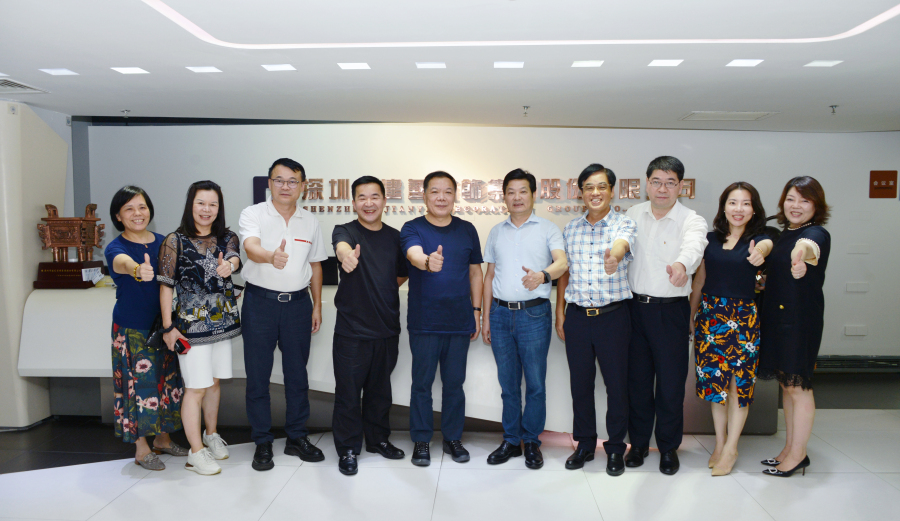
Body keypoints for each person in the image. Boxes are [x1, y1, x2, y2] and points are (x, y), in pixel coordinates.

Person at [238, 158, 329, 471]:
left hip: (298, 306)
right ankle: (262, 441)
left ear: (302, 186)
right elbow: (250, 247)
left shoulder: (310, 221)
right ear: (269, 184)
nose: (285, 186)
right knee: (258, 378)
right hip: (259, 304)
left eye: (293, 181)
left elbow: (315, 265)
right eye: (279, 180)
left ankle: (296, 437)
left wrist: (317, 305)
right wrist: (270, 256)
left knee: (297, 376)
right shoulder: (253, 213)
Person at [625, 156, 708, 475]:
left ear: (680, 186)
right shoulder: (633, 214)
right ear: (647, 184)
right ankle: (639, 444)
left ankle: (669, 448)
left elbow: (694, 248)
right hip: (634, 309)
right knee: (638, 383)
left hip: (671, 311)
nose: (663, 188)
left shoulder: (692, 220)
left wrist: (681, 266)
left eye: (670, 182)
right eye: (657, 182)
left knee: (671, 386)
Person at [482, 169, 567, 470]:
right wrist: (486, 318)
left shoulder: (548, 229)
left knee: (535, 384)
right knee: (508, 384)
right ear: (504, 196)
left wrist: (542, 275)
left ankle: (531, 441)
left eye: (523, 191)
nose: (516, 197)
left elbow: (562, 263)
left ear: (533, 195)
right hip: (500, 314)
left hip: (534, 314)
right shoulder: (496, 231)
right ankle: (510, 440)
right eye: (511, 192)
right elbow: (489, 276)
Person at [555, 164, 637, 475]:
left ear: (611, 191)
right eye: (589, 187)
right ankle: (585, 444)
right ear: (581, 193)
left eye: (601, 186)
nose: (595, 192)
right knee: (580, 385)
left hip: (612, 317)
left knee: (616, 386)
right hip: (577, 317)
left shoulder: (623, 223)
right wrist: (560, 312)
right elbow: (564, 273)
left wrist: (614, 257)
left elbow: (621, 245)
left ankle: (615, 448)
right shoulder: (570, 229)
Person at [400, 171, 484, 467]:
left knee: (454, 385)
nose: (441, 197)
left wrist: (476, 311)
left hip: (459, 321)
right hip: (424, 321)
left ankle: (452, 438)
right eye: (434, 191)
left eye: (447, 191)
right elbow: (413, 254)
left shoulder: (467, 229)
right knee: (421, 385)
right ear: (424, 195)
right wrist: (427, 261)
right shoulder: (412, 227)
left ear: (455, 196)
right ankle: (421, 440)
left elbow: (475, 273)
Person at [158, 180, 241, 475]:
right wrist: (168, 327)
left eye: (213, 204)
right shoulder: (174, 241)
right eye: (201, 203)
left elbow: (234, 256)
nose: (207, 209)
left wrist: (230, 265)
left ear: (219, 207)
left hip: (222, 324)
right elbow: (165, 287)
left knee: (214, 383)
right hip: (190, 330)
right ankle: (195, 452)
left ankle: (211, 434)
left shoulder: (227, 236)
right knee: (195, 388)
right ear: (190, 205)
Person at [689, 182, 772, 476]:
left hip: (743, 320)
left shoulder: (760, 239)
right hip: (710, 318)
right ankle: (720, 443)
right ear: (724, 207)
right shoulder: (710, 239)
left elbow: (765, 250)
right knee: (716, 387)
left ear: (754, 209)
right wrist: (690, 315)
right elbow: (700, 281)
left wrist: (760, 255)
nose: (739, 209)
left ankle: (731, 448)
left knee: (739, 386)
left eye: (746, 203)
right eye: (733, 202)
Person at [331, 176, 410, 476]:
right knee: (349, 394)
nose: (369, 203)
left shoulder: (395, 237)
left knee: (380, 392)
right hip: (352, 331)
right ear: (354, 203)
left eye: (374, 196)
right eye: (362, 197)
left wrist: (381, 290)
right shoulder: (346, 231)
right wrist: (346, 257)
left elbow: (401, 274)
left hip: (387, 328)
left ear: (384, 201)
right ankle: (348, 449)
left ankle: (378, 440)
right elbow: (341, 247)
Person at [105, 186, 186, 471]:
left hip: (165, 327)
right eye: (129, 209)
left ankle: (163, 439)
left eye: (142, 207)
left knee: (166, 383)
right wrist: (138, 270)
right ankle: (141, 449)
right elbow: (122, 264)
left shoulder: (164, 242)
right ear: (118, 216)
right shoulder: (116, 247)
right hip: (132, 330)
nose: (137, 213)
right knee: (136, 387)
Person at [757, 176, 831, 477]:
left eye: (804, 200)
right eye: (791, 198)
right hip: (778, 318)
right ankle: (790, 449)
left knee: (799, 387)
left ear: (816, 205)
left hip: (800, 321)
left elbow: (808, 247)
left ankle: (799, 455)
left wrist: (800, 258)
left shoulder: (815, 233)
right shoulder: (784, 233)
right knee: (787, 385)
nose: (796, 205)